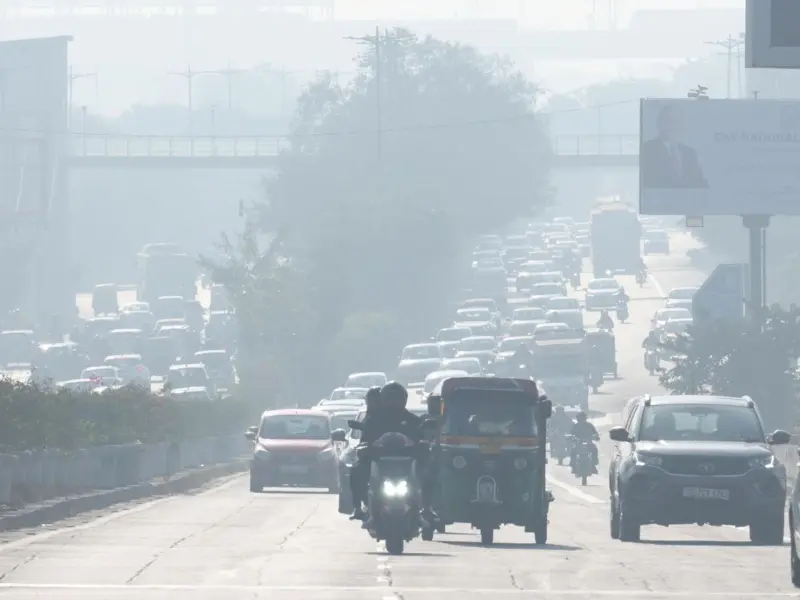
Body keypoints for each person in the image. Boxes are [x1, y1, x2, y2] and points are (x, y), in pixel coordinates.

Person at [641, 104, 708, 189]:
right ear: (660, 123)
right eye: (669, 121)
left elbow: (700, 184)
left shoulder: (690, 153)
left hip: (688, 201)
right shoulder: (648, 150)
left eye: (677, 122)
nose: (673, 126)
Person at [348, 386, 383, 521]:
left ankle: (424, 507)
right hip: (371, 455)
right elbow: (366, 436)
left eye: (374, 400)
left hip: (394, 456)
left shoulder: (393, 415)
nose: (372, 403)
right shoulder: (368, 416)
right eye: (370, 400)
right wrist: (361, 427)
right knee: (356, 472)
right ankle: (358, 508)